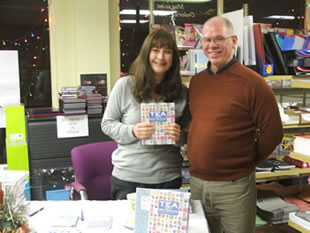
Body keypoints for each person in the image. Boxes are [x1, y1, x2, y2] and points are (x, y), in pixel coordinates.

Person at [187, 16, 283, 233]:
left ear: (234, 41)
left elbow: (273, 132)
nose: (212, 45)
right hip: (197, 183)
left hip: (234, 187)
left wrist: (245, 159)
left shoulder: (253, 83)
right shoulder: (197, 82)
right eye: (207, 39)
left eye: (219, 39)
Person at [101, 28, 190, 200]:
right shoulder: (125, 85)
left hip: (167, 178)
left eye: (167, 52)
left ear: (174, 58)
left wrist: (179, 136)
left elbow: (189, 132)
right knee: (131, 227)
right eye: (155, 50)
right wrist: (133, 131)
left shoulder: (182, 93)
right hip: (129, 178)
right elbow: (107, 124)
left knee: (163, 228)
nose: (161, 57)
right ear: (146, 54)